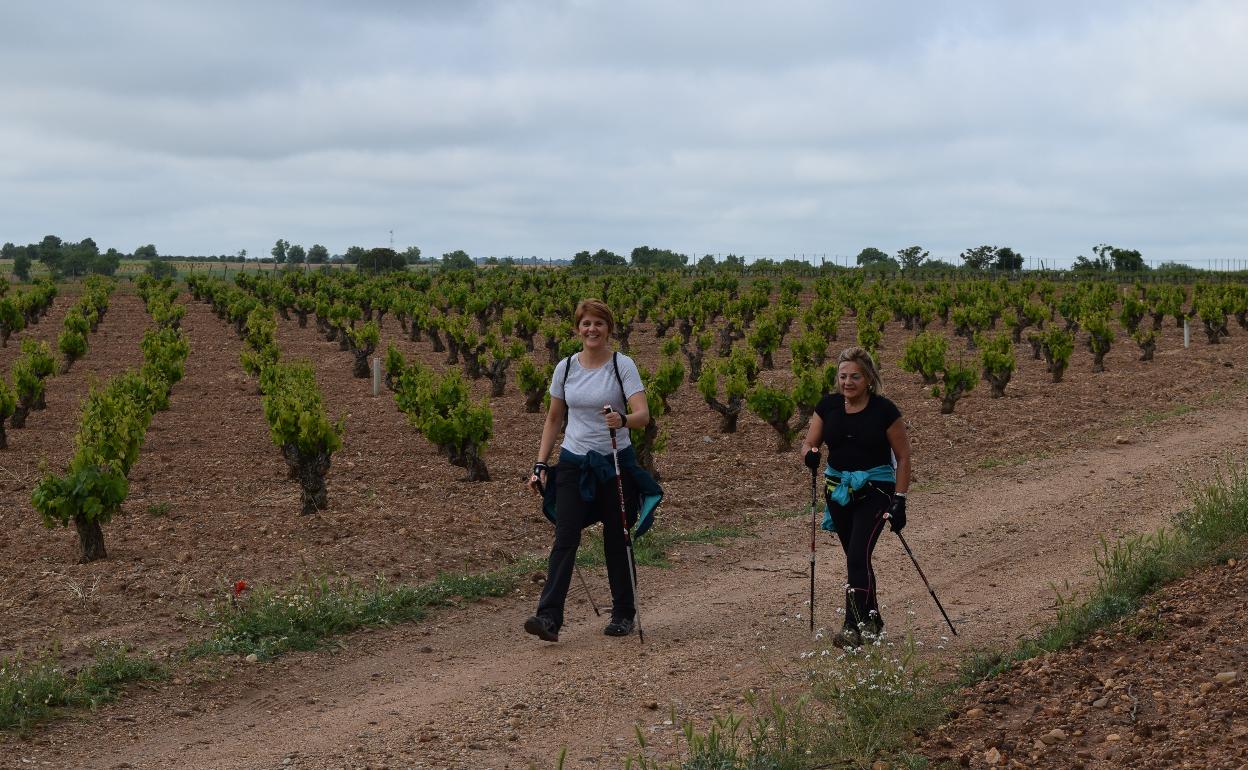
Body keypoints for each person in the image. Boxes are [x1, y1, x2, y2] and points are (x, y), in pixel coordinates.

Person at [525, 298, 656, 642]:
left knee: (617, 538)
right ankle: (549, 618)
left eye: (599, 323)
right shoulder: (565, 368)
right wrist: (540, 463)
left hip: (615, 462)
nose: (592, 329)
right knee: (565, 536)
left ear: (609, 329)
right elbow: (554, 418)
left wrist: (623, 418)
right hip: (574, 462)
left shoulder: (621, 365)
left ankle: (623, 613)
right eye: (586, 324)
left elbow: (643, 415)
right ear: (577, 329)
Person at [799, 346, 911, 648]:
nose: (848, 382)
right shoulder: (828, 407)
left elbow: (903, 457)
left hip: (875, 491)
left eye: (855, 377)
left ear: (869, 379)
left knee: (858, 555)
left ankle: (852, 624)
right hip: (838, 491)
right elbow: (810, 443)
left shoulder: (884, 410)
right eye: (843, 376)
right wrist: (810, 455)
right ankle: (872, 618)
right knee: (855, 558)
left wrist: (900, 499)